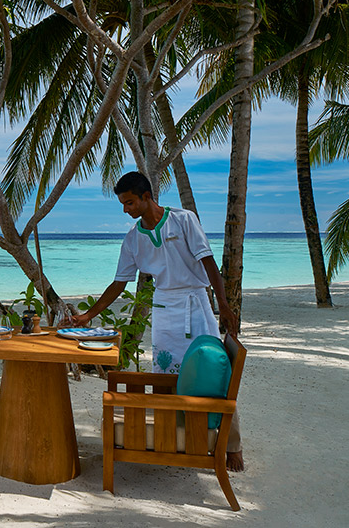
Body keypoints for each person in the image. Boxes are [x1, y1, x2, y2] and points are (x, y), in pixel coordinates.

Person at [65, 171, 245, 472]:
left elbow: (208, 262)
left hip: (196, 302)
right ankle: (170, 436)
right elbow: (119, 283)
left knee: (216, 370)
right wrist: (87, 315)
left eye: (130, 202)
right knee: (164, 373)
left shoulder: (184, 220)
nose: (126, 209)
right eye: (123, 204)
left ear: (147, 197)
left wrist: (223, 306)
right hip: (163, 307)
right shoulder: (134, 239)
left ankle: (231, 446)